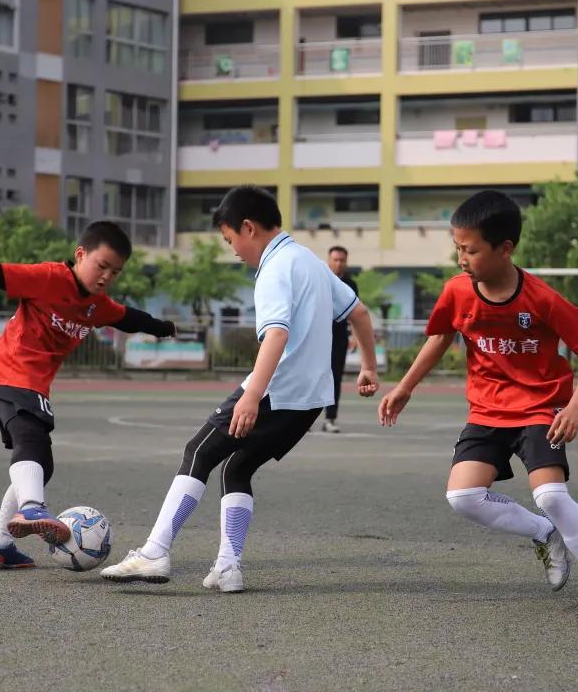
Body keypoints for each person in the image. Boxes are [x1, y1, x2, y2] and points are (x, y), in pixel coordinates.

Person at [100, 186, 379, 591]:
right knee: (237, 467)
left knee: (198, 451)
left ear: (248, 228)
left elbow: (277, 335)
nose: (233, 250)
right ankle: (228, 568)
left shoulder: (275, 268)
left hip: (274, 391)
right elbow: (360, 311)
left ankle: (155, 551)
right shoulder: (311, 262)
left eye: (230, 240)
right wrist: (368, 366)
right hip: (310, 401)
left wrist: (251, 396)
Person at [378, 190, 578, 616]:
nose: (461, 257)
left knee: (550, 494)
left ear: (505, 248)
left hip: (539, 408)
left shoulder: (543, 299)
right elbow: (440, 337)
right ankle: (542, 534)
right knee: (463, 497)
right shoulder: (457, 292)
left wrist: (576, 407)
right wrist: (405, 387)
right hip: (487, 410)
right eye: (457, 247)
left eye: (470, 249)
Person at [0, 221, 175, 570]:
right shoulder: (49, 278)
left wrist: (162, 328)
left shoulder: (96, 305)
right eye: (101, 265)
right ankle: (32, 506)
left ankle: (1, 547)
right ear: (80, 254)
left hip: (32, 384)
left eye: (115, 271)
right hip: (10, 373)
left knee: (41, 462)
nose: (106, 276)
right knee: (31, 440)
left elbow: (128, 318)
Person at [324, 245, 359, 433]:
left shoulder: (351, 285)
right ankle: (301, 420)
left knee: (334, 379)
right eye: (335, 259)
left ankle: (330, 418)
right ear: (328, 261)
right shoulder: (319, 280)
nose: (338, 263)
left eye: (342, 260)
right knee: (310, 377)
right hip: (316, 338)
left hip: (339, 338)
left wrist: (354, 335)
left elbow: (356, 313)